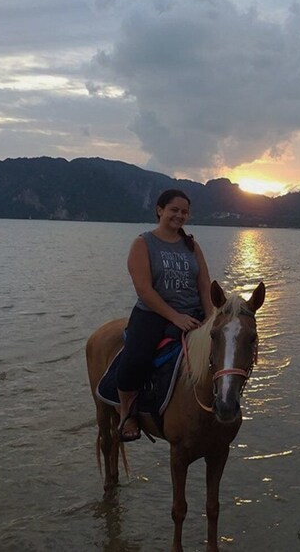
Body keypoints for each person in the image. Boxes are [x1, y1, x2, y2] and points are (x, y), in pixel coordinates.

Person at [116, 189, 213, 441]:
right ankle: (127, 412)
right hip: (153, 313)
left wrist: (212, 317)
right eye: (174, 210)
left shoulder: (192, 245)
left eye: (184, 211)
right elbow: (144, 289)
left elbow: (204, 285)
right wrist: (174, 316)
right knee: (134, 359)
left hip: (193, 311)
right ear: (160, 210)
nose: (179, 215)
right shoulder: (143, 243)